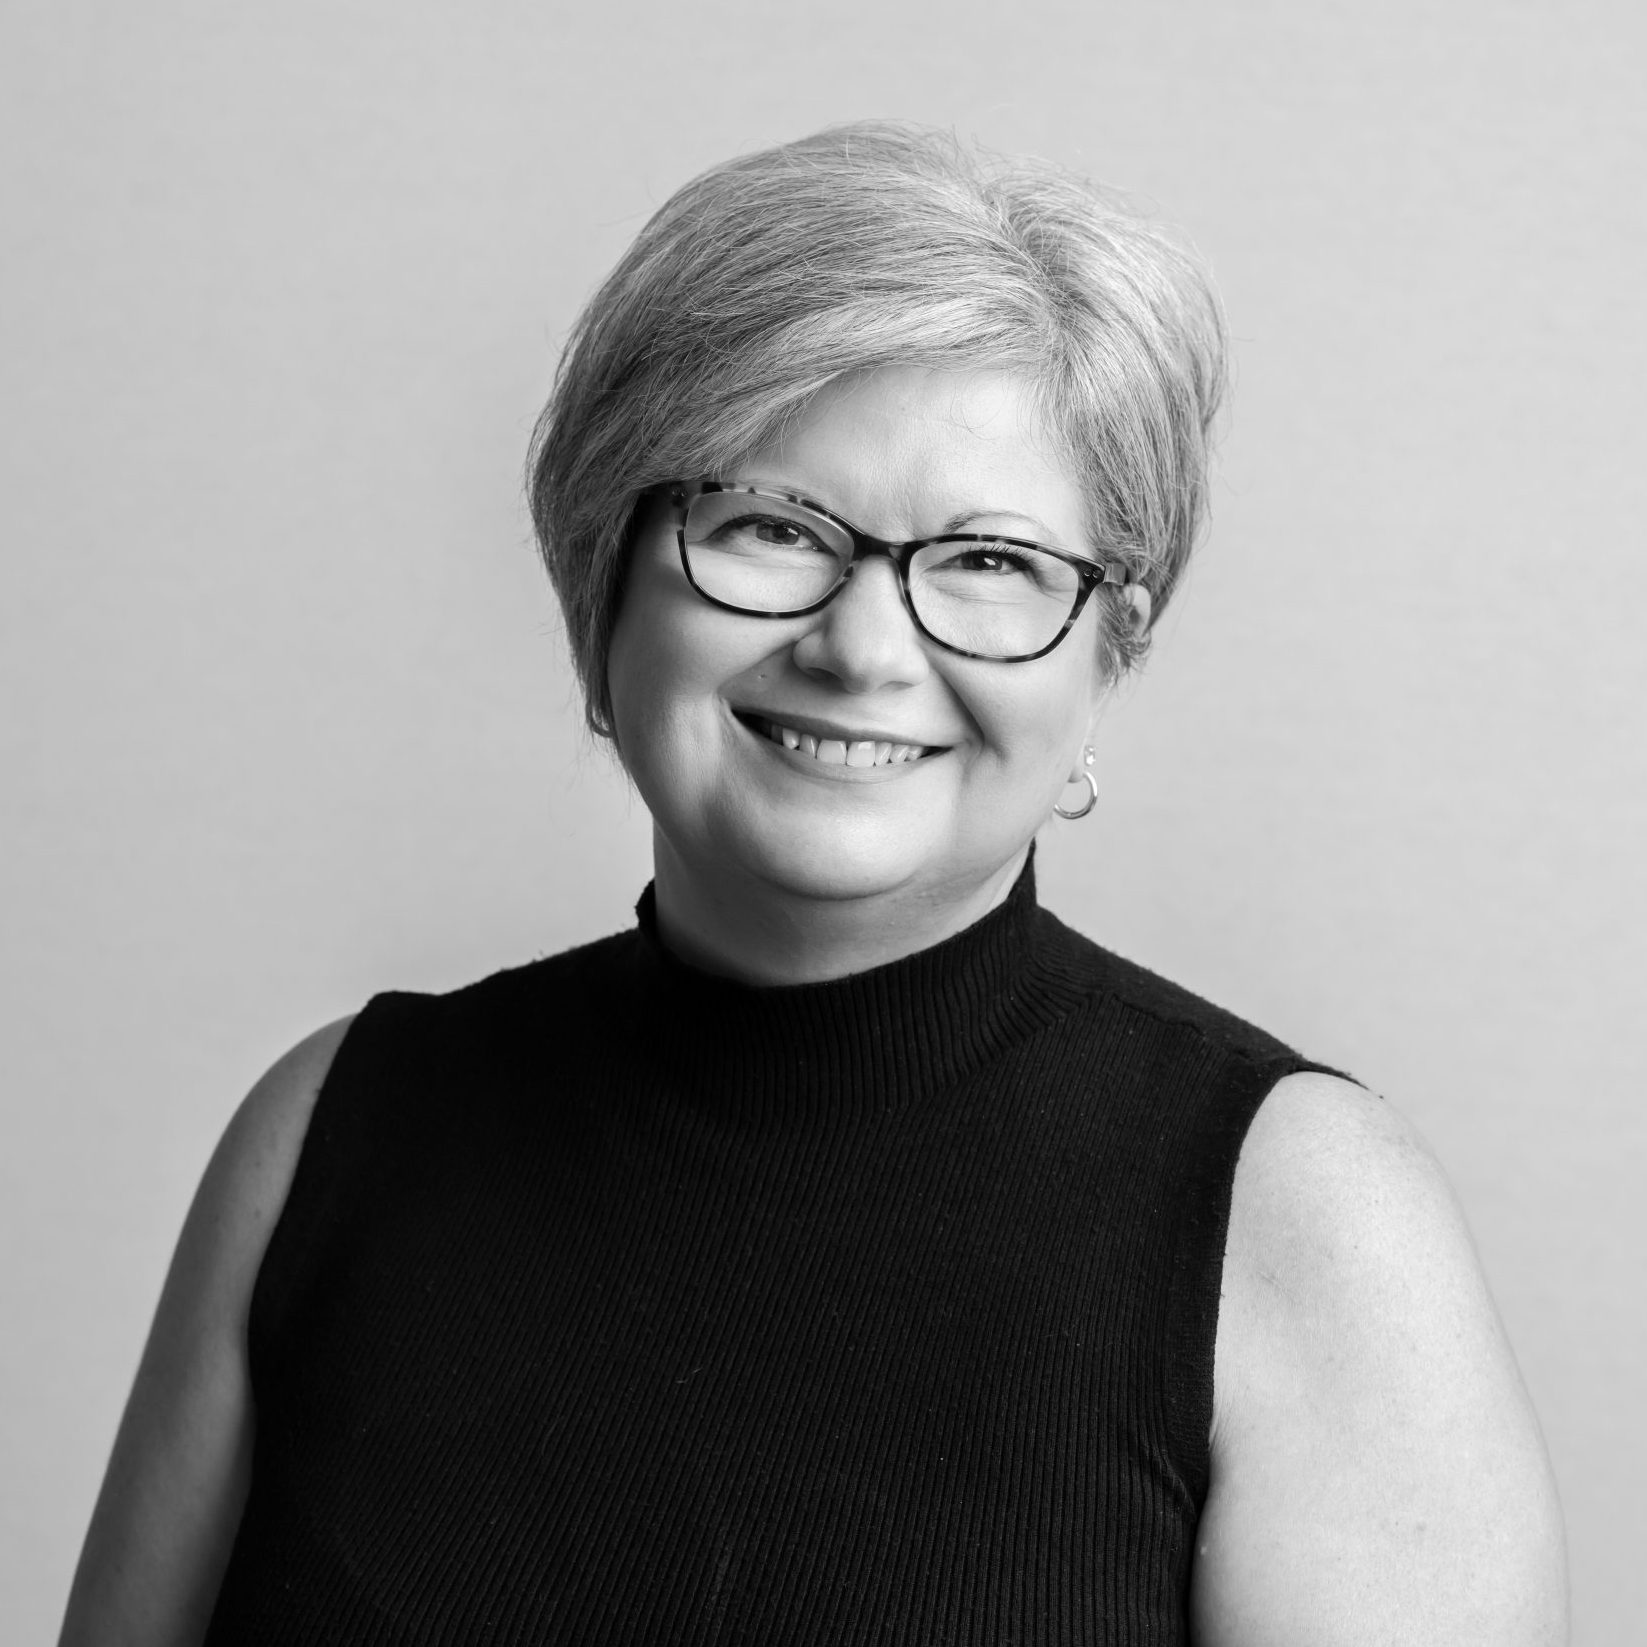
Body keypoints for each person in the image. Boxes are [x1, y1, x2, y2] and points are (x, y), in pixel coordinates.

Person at [59, 122, 1567, 1646]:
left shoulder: (1301, 1220)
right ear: (603, 587)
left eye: (990, 560)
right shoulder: (331, 1137)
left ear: (1106, 659)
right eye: (772, 528)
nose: (863, 648)